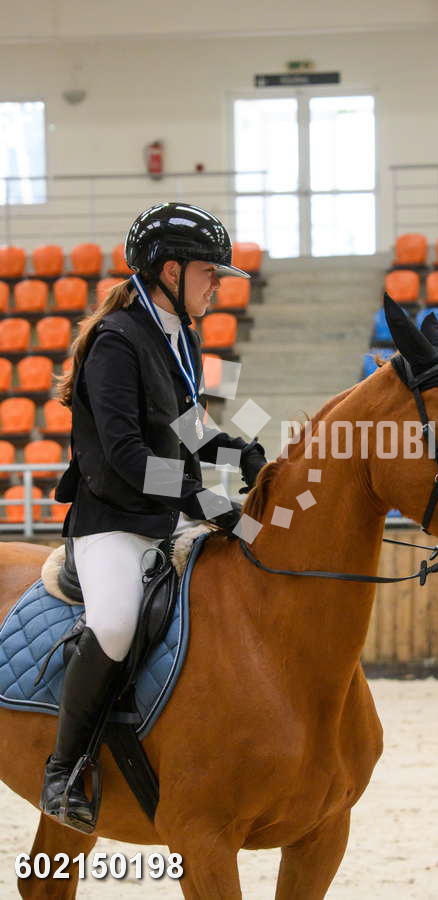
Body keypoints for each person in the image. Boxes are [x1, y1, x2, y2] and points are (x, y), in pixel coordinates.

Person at [39, 202, 268, 831]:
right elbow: (126, 456)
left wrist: (240, 454)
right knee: (115, 625)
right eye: (209, 272)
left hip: (165, 516)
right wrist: (205, 502)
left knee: (251, 553)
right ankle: (64, 768)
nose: (216, 285)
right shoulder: (117, 342)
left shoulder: (180, 338)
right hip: (111, 521)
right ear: (171, 270)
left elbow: (188, 429)